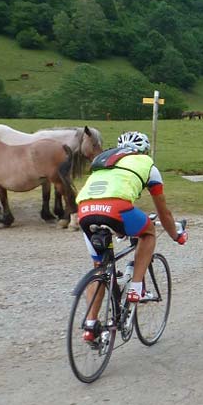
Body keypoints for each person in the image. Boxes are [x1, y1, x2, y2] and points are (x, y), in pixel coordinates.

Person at [75, 131, 186, 342]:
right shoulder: (147, 165)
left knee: (100, 269)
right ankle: (136, 288)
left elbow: (106, 190)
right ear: (143, 151)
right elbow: (163, 212)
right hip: (117, 209)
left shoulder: (104, 159)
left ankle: (90, 325)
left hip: (85, 210)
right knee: (148, 233)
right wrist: (176, 235)